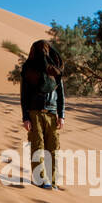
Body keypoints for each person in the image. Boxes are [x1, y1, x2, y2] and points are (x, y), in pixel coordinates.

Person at [19, 40, 64, 189]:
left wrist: (61, 115)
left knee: (53, 148)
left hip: (51, 114)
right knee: (37, 146)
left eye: (44, 49)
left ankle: (53, 181)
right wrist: (25, 117)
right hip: (34, 112)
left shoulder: (55, 70)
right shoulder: (28, 69)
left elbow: (61, 94)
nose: (42, 52)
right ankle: (40, 180)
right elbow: (24, 95)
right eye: (39, 49)